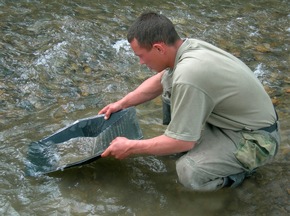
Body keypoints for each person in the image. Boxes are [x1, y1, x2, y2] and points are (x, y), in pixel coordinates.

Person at [98, 12, 280, 191]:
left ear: (159, 48)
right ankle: (191, 139)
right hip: (236, 121)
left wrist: (131, 147)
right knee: (170, 81)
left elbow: (183, 143)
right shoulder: (187, 47)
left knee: (189, 171)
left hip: (257, 139)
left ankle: (241, 174)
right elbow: (159, 80)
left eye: (141, 55)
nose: (141, 62)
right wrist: (122, 103)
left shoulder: (189, 74)